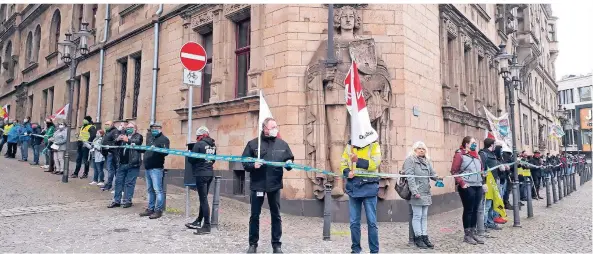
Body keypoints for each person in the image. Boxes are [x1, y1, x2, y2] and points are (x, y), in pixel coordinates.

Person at [241, 118, 294, 254]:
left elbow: (289, 159)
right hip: (258, 185)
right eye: (272, 127)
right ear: (265, 128)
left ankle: (277, 245)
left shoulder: (282, 144)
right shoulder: (253, 144)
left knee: (276, 215)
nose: (275, 129)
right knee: (254, 216)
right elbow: (244, 162)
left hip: (274, 185)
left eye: (276, 126)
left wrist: (289, 162)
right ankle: (253, 244)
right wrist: (253, 165)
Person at [341, 136, 382, 254]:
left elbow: (375, 163)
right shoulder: (350, 145)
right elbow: (343, 162)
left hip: (369, 187)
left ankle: (374, 251)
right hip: (354, 187)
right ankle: (355, 249)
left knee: (372, 222)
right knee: (354, 222)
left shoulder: (374, 145)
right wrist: (347, 172)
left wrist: (357, 160)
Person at [403, 141, 441, 249]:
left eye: (423, 149)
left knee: (424, 216)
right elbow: (410, 177)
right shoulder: (410, 160)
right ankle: (418, 238)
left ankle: (425, 237)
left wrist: (438, 177)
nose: (421, 150)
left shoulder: (427, 161)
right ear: (414, 150)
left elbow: (432, 174)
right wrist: (415, 192)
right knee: (417, 216)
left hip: (426, 192)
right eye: (419, 148)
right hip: (417, 193)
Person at [450, 136, 485, 245]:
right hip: (467, 185)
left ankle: (473, 232)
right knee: (469, 210)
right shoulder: (460, 154)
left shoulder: (477, 155)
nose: (475, 144)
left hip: (478, 185)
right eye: (473, 143)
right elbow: (454, 171)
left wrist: (483, 178)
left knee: (475, 209)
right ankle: (467, 234)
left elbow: (481, 169)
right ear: (466, 144)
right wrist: (462, 183)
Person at [185, 126, 216, 233]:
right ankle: (198, 220)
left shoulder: (199, 144)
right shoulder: (213, 145)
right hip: (209, 173)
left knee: (203, 200)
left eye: (198, 136)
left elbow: (191, 159)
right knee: (204, 198)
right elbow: (213, 160)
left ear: (201, 136)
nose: (197, 138)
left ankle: (207, 225)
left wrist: (189, 153)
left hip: (201, 174)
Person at [108, 121, 143, 208]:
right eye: (127, 128)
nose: (129, 129)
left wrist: (128, 140)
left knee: (129, 183)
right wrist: (117, 139)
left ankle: (127, 200)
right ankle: (116, 200)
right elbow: (114, 144)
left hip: (133, 164)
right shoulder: (123, 136)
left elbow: (137, 142)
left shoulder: (138, 136)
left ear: (135, 128)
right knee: (118, 182)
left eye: (131, 127)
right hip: (121, 163)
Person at [139, 122, 170, 220]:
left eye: (156, 128)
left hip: (156, 168)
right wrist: (138, 148)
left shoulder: (164, 139)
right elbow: (146, 150)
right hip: (148, 167)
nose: (154, 130)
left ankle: (158, 210)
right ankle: (150, 209)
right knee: (150, 190)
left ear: (160, 129)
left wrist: (157, 149)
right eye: (152, 128)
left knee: (158, 190)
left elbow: (166, 152)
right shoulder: (150, 138)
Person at [478, 138, 503, 230]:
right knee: (487, 204)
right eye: (494, 144)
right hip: (488, 182)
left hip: (495, 181)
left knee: (493, 203)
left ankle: (490, 222)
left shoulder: (493, 154)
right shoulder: (483, 154)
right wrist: (483, 183)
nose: (495, 146)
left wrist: (500, 166)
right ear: (491, 145)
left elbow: (495, 163)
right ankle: (483, 224)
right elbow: (482, 169)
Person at [101, 120, 125, 191]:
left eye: (107, 124)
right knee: (111, 170)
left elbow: (117, 142)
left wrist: (109, 148)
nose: (106, 125)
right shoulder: (108, 131)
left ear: (112, 125)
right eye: (105, 124)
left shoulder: (115, 131)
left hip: (112, 154)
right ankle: (109, 184)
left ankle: (112, 185)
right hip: (107, 154)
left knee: (112, 170)